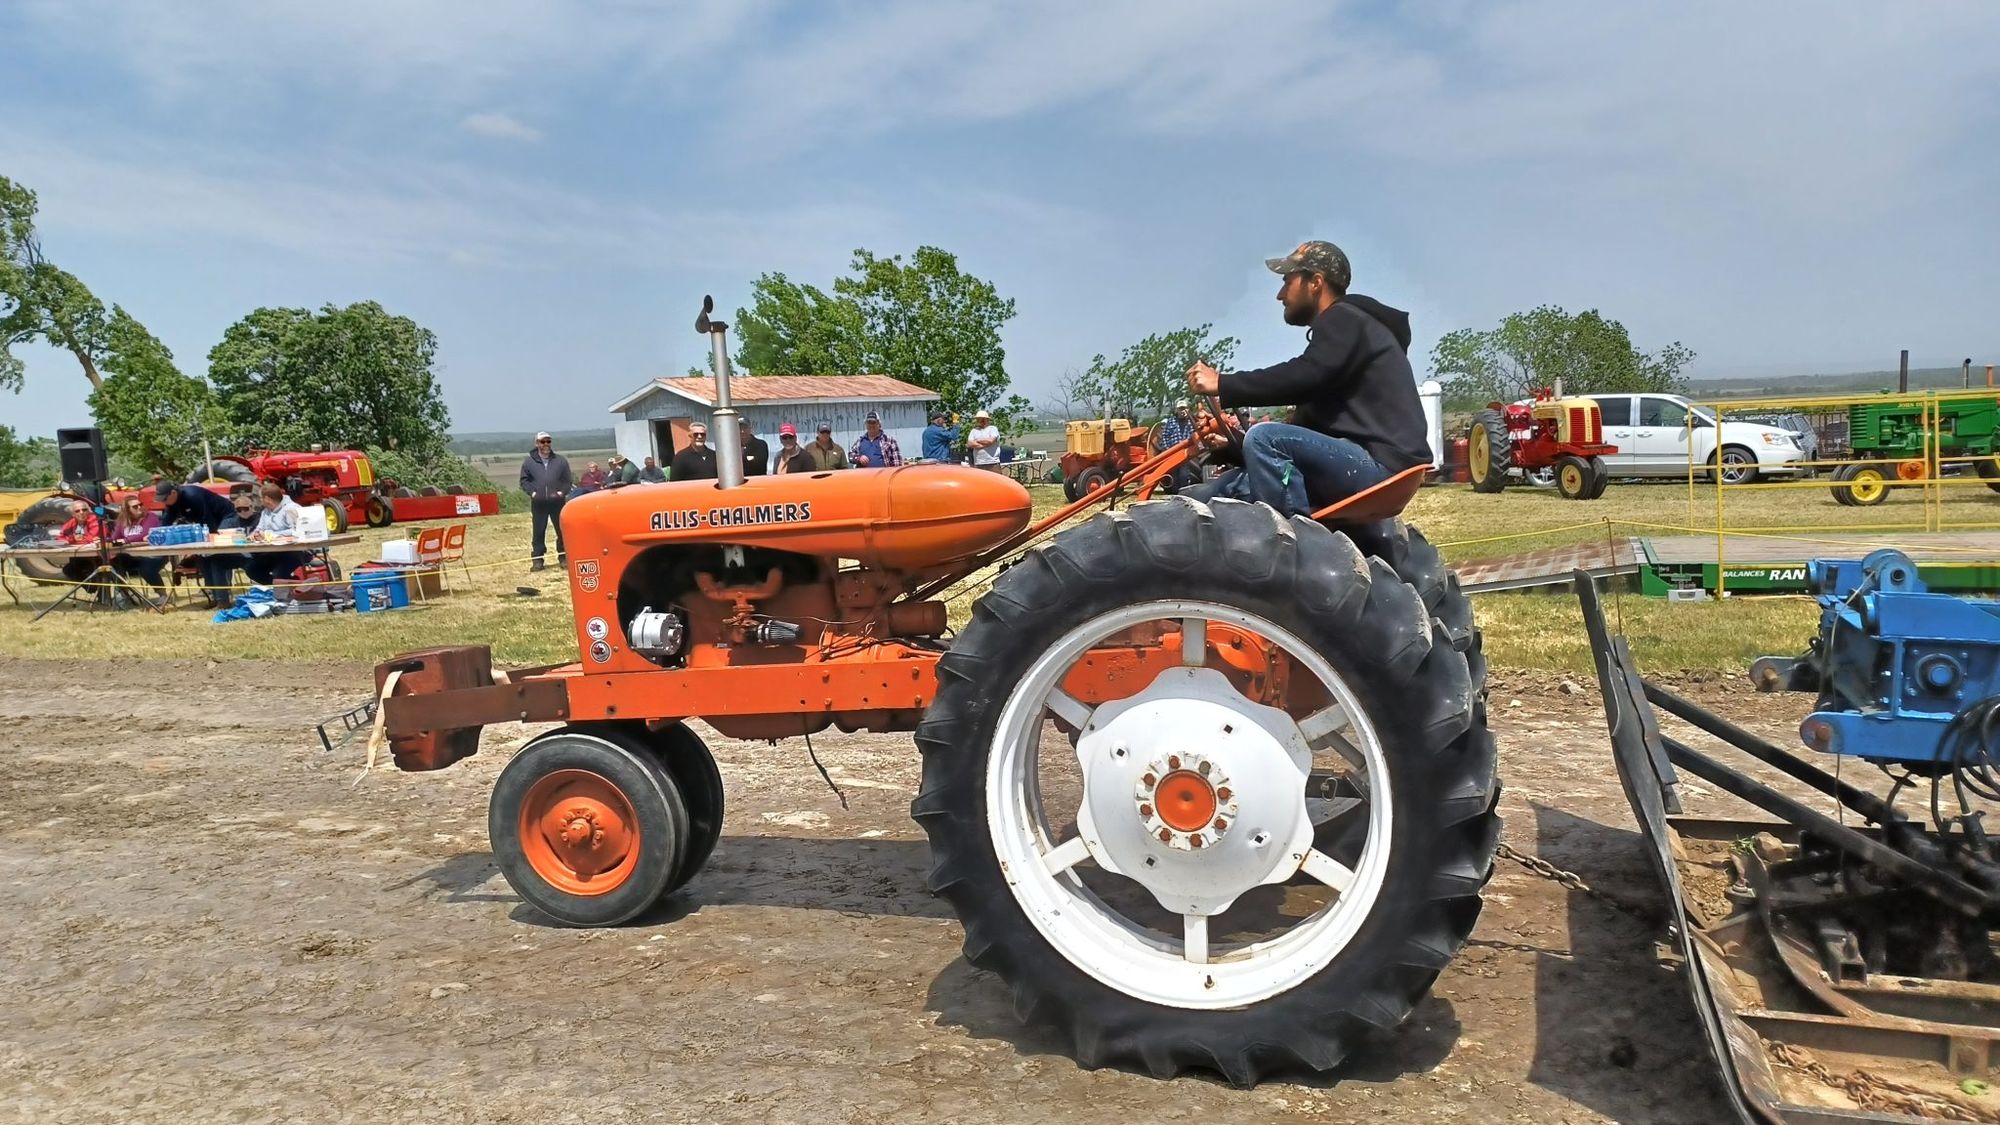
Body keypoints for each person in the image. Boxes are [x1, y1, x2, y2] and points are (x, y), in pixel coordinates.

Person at [1185, 239, 1429, 555]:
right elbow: (1303, 440)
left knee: (1265, 437)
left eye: (1288, 281)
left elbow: (1306, 375)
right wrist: (1232, 446)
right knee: (1219, 492)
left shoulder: (1345, 318)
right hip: (1369, 462)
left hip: (1377, 465)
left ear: (1315, 282)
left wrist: (1223, 383)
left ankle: (1297, 557)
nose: (1280, 294)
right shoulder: (1346, 341)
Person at [519, 432, 572, 572]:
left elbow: (567, 481)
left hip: (557, 502)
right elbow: (524, 481)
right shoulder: (529, 462)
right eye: (543, 442)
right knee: (538, 531)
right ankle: (538, 560)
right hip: (539, 503)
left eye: (548, 441)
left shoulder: (560, 461)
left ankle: (563, 558)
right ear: (537, 444)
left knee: (561, 530)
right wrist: (533, 493)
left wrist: (561, 492)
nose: (546, 444)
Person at [245, 480, 312, 585]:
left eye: (260, 498)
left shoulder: (292, 508)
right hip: (274, 551)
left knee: (279, 573)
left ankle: (286, 587)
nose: (260, 500)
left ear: (267, 499)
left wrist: (272, 535)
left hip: (295, 551)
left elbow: (296, 530)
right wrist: (254, 534)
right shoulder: (265, 512)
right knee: (252, 570)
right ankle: (290, 585)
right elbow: (260, 528)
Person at [108, 494, 166, 601]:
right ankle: (125, 593)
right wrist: (108, 540)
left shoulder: (150, 516)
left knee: (146, 569)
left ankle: (163, 595)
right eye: (135, 506)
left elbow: (146, 533)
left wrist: (126, 540)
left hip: (153, 555)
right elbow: (115, 538)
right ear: (127, 510)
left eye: (140, 504)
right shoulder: (122, 520)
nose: (139, 507)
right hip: (132, 556)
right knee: (111, 564)